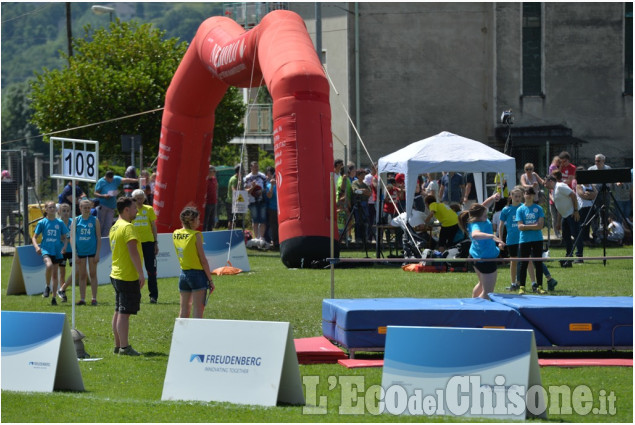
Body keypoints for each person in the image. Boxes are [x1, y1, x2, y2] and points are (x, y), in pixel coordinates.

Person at [110, 197, 145, 356]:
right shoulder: (128, 227)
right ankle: (124, 347)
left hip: (116, 273)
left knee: (118, 311)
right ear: (126, 210)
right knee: (124, 313)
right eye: (134, 208)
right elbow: (133, 252)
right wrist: (141, 273)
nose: (137, 211)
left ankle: (118, 346)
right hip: (126, 275)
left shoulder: (114, 226)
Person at [173, 206, 215, 319]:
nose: (199, 221)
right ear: (192, 221)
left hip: (183, 274)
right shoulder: (196, 235)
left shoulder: (175, 233)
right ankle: (196, 335)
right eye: (197, 219)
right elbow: (203, 260)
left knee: (184, 310)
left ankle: (182, 335)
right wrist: (210, 280)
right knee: (198, 310)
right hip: (197, 275)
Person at [58, 199, 101, 305]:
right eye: (84, 208)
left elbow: (99, 238)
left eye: (88, 208)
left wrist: (97, 253)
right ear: (80, 208)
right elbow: (71, 238)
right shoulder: (76, 221)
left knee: (93, 273)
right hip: (80, 252)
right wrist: (75, 254)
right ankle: (82, 299)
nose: (86, 210)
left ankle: (94, 298)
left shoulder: (94, 220)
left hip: (92, 251)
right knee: (82, 275)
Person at [458, 202, 505, 300]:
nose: (487, 216)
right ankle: (476, 309)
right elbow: (475, 235)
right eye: (485, 215)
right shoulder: (477, 225)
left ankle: (473, 305)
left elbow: (483, 206)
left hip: (476, 256)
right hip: (485, 260)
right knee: (488, 292)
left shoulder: (474, 219)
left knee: (481, 285)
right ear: (478, 217)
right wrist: (492, 236)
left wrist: (492, 198)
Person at [32, 201, 69, 306]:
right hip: (46, 249)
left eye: (54, 207)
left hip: (57, 250)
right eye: (50, 207)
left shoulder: (60, 223)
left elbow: (66, 237)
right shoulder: (42, 223)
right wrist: (36, 247)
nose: (52, 209)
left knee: (55, 275)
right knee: (49, 265)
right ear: (46, 210)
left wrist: (65, 247)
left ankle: (53, 298)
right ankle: (47, 286)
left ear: (56, 210)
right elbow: (34, 237)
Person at [544, 173, 582, 266]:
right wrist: (558, 222)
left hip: (572, 214)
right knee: (566, 237)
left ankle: (580, 257)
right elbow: (559, 207)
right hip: (565, 216)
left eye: (545, 183)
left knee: (576, 235)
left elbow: (573, 195)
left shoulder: (560, 186)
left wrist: (576, 211)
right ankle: (569, 255)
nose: (545, 185)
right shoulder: (554, 190)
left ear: (551, 181)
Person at [516, 187, 547, 294]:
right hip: (524, 240)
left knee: (538, 263)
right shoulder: (520, 209)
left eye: (530, 193)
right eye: (526, 193)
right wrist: (534, 225)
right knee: (523, 264)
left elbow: (540, 226)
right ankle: (522, 287)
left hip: (537, 239)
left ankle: (540, 286)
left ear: (534, 196)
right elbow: (520, 227)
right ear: (523, 195)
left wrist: (526, 226)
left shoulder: (538, 209)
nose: (528, 195)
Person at [131, 189, 159, 304]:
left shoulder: (149, 209)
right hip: (135, 243)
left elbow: (153, 226)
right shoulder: (131, 210)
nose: (139, 200)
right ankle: (135, 295)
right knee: (135, 270)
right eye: (137, 198)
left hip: (148, 243)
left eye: (141, 198)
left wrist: (156, 242)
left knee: (151, 270)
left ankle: (153, 296)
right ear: (133, 199)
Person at [94, 170, 138, 237]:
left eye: (111, 179)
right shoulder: (101, 182)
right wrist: (103, 196)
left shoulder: (116, 179)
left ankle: (105, 239)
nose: (110, 180)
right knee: (100, 224)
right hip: (103, 205)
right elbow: (95, 193)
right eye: (109, 179)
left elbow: (126, 180)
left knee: (108, 225)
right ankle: (98, 239)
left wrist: (136, 180)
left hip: (111, 206)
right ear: (106, 177)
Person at [498, 186, 524, 291]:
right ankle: (513, 283)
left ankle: (525, 283)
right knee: (513, 261)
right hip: (512, 239)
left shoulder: (524, 207)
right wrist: (500, 240)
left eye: (519, 196)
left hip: (524, 239)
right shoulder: (506, 209)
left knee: (526, 261)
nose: (517, 198)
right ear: (511, 196)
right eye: (515, 196)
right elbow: (501, 225)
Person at [243, 161, 268, 241]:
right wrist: (252, 187)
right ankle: (256, 238)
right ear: (251, 168)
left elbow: (266, 188)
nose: (256, 168)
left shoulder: (263, 176)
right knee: (255, 219)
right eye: (254, 167)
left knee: (263, 219)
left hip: (262, 200)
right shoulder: (247, 178)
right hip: (252, 201)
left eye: (257, 166)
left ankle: (262, 238)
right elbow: (246, 191)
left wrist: (262, 191)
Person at [56, 204, 73, 303]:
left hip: (71, 250)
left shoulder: (72, 222)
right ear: (59, 212)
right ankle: (63, 295)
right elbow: (59, 237)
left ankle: (62, 289)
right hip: (61, 251)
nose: (66, 213)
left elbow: (71, 236)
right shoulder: (57, 223)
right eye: (64, 211)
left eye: (67, 211)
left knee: (76, 271)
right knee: (62, 273)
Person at [576, 167, 597, 245]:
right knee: (583, 224)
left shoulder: (590, 184)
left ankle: (589, 239)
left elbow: (596, 194)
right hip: (583, 207)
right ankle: (583, 240)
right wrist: (591, 195)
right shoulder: (579, 185)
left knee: (589, 225)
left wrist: (589, 194)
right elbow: (582, 195)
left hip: (591, 207)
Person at [351, 168, 371, 243]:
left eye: (364, 175)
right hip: (358, 204)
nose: (363, 176)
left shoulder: (365, 184)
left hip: (365, 204)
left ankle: (364, 238)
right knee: (358, 221)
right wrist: (364, 191)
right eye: (362, 174)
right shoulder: (355, 183)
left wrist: (362, 191)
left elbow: (369, 193)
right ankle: (358, 238)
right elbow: (356, 191)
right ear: (358, 175)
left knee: (365, 221)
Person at [265, 166, 279, 249]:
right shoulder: (268, 185)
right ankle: (275, 243)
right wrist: (272, 186)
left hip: (281, 209)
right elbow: (269, 196)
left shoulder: (281, 184)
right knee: (274, 227)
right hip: (273, 209)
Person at [226, 164, 242, 229]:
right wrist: (239, 184)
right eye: (242, 170)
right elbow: (234, 190)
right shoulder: (234, 179)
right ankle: (230, 233)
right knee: (231, 220)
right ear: (238, 171)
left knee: (234, 219)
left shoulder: (238, 178)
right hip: (231, 202)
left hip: (235, 202)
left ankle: (232, 231)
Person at [204, 165, 218, 231]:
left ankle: (210, 232)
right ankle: (204, 233)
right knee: (206, 220)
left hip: (214, 202)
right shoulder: (205, 180)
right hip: (207, 203)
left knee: (212, 221)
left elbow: (216, 187)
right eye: (214, 171)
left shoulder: (214, 179)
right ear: (209, 171)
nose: (215, 172)